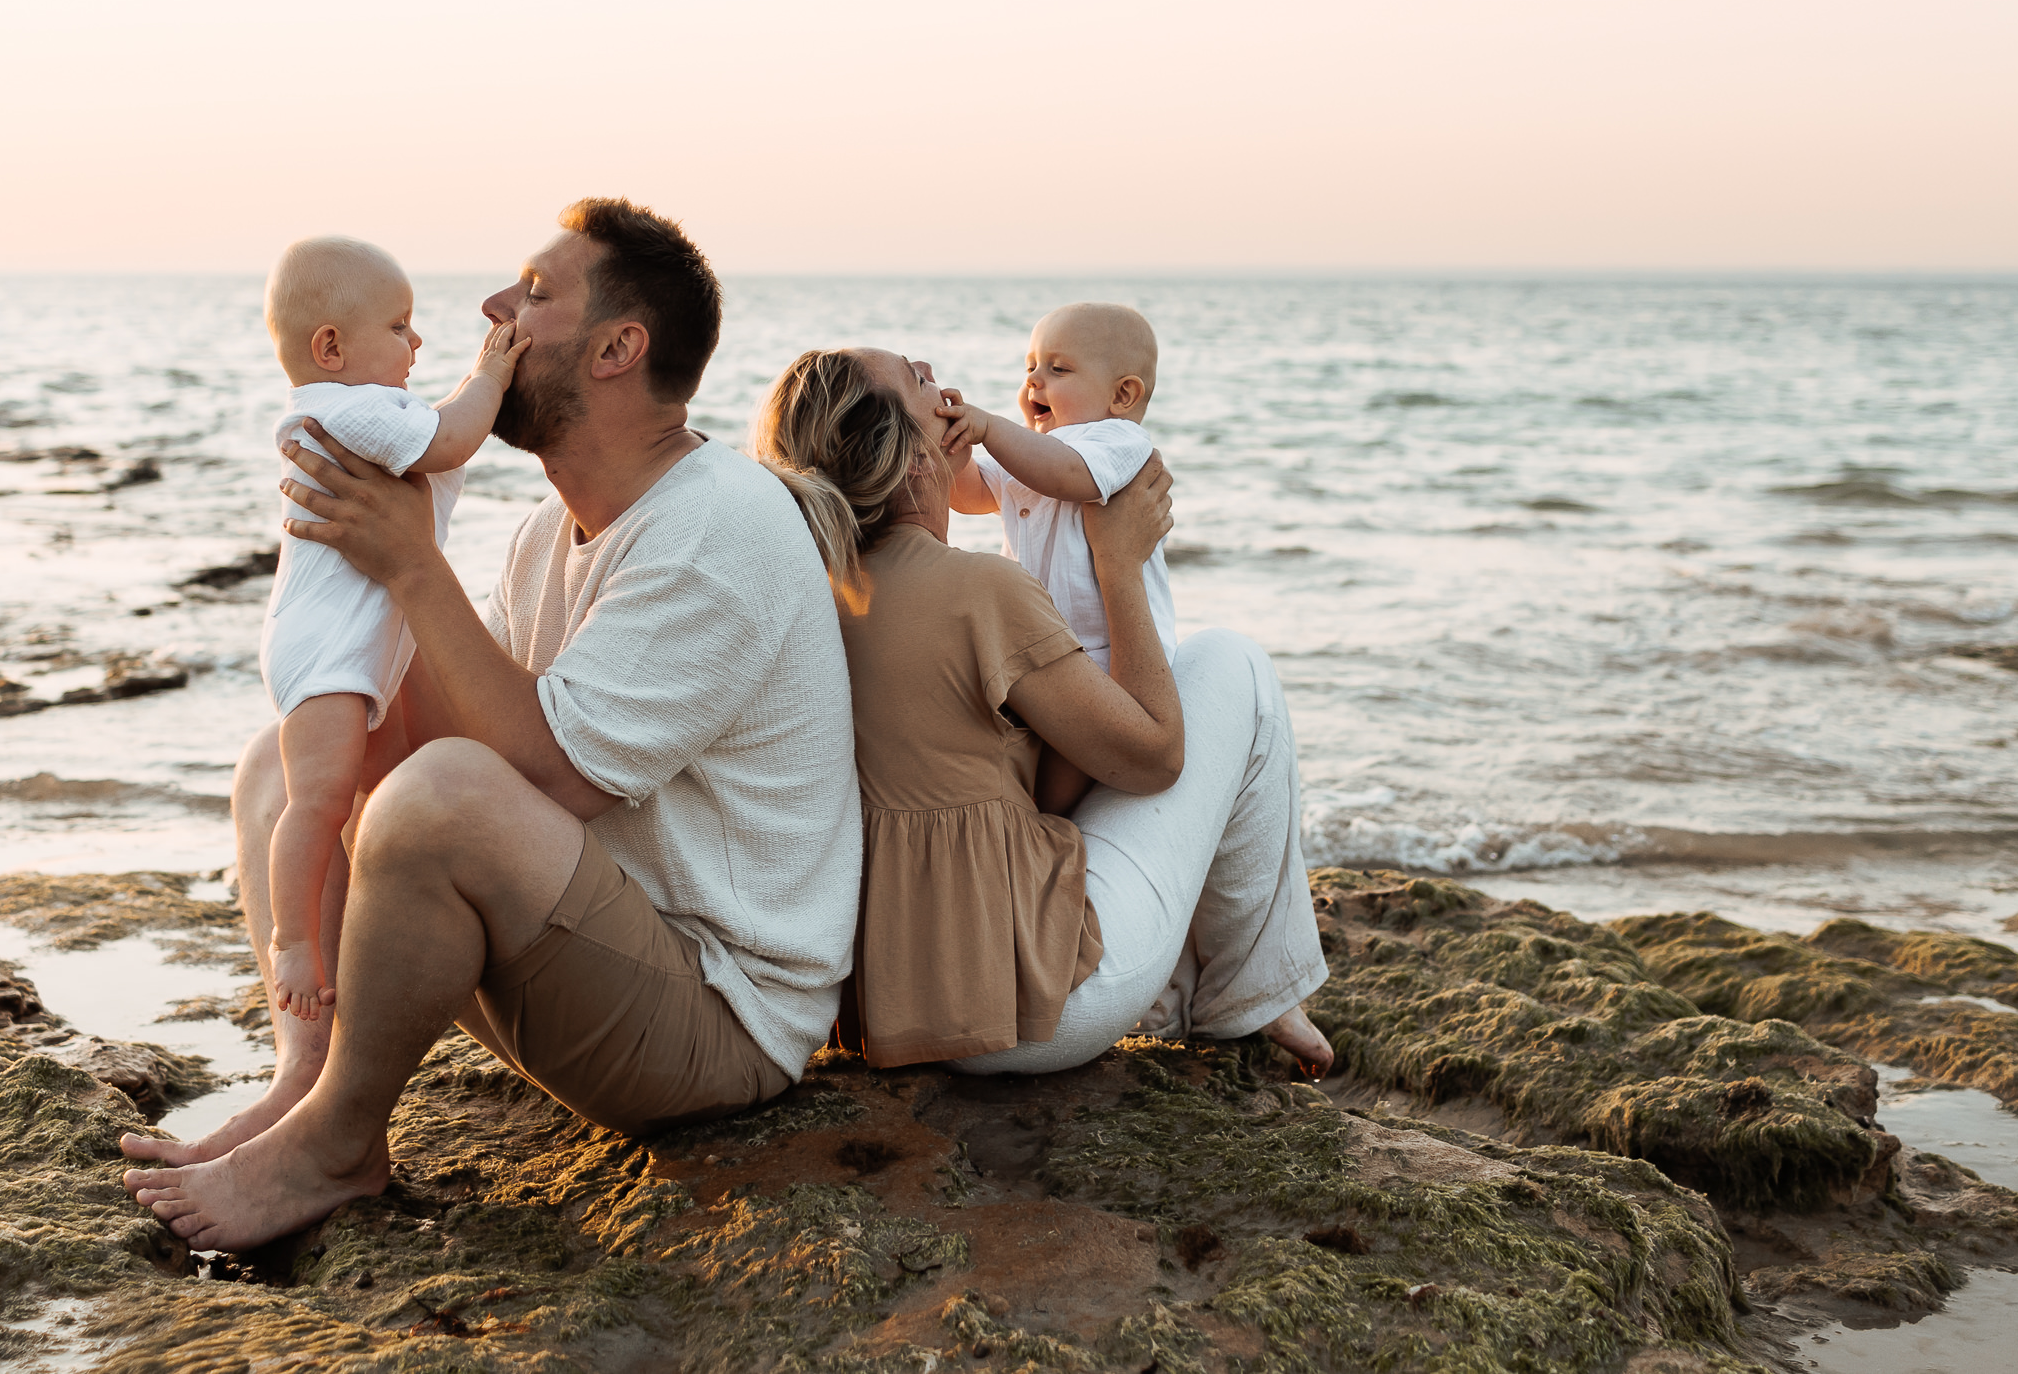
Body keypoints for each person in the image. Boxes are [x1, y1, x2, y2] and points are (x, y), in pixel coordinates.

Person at [121, 199, 859, 1250]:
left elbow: (543, 779)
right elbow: (459, 718)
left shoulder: (714, 526)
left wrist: (413, 562)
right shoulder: (540, 536)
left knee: (439, 799)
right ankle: (309, 1079)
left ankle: (338, 1145)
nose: (493, 308)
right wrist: (346, 601)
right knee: (290, 766)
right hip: (581, 944)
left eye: (535, 292)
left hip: (713, 1018)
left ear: (617, 348)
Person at [756, 345, 1331, 1076]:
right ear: (913, 462)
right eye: (918, 378)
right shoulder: (976, 589)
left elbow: (1031, 790)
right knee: (1228, 662)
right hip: (1030, 1003)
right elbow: (1155, 757)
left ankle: (1178, 996)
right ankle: (1249, 998)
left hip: (890, 1003)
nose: (936, 371)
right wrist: (1118, 565)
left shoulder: (813, 592)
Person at [253, 235, 529, 1022]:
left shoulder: (352, 407)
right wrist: (492, 373)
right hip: (330, 653)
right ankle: (293, 940)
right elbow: (447, 437)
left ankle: (367, 929)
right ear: (332, 347)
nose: (417, 342)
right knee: (319, 799)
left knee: (368, 793)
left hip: (341, 644)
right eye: (400, 327)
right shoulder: (343, 405)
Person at [936, 301, 1177, 814]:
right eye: (1030, 368)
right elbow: (972, 495)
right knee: (1029, 752)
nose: (1034, 383)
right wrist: (953, 455)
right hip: (1043, 650)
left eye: (1058, 369)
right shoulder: (1034, 449)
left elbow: (1069, 475)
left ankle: (1055, 825)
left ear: (1123, 395)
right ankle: (1036, 819)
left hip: (1108, 654)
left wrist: (992, 429)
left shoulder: (1115, 440)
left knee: (1066, 773)